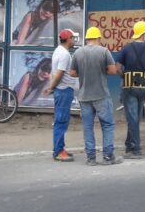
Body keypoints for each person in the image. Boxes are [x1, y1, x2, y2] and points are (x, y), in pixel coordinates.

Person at [70, 26, 121, 165]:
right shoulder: (104, 51)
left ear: (87, 39)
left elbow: (72, 73)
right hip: (101, 95)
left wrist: (85, 73)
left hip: (84, 97)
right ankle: (108, 157)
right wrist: (100, 70)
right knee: (107, 125)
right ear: (98, 38)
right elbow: (112, 71)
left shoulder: (78, 53)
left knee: (88, 127)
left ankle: (91, 158)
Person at [117, 20, 145, 159]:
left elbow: (117, 66)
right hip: (143, 86)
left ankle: (136, 149)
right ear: (144, 34)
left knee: (132, 117)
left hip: (129, 86)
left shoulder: (127, 48)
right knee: (136, 117)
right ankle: (129, 145)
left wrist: (123, 76)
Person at [46, 29, 79, 162]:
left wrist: (52, 87)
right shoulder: (64, 54)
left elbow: (53, 72)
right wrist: (51, 87)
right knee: (61, 121)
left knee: (61, 120)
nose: (74, 40)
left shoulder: (58, 51)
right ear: (68, 39)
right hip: (64, 90)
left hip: (62, 90)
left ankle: (60, 148)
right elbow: (59, 73)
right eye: (73, 38)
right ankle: (58, 151)